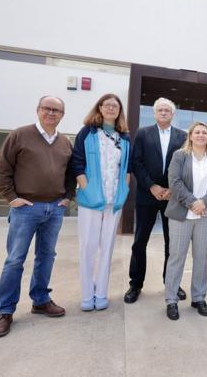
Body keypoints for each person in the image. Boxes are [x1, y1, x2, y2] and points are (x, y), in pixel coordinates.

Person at [0, 96, 75, 338]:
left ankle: (40, 300)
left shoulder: (64, 143)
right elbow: (1, 168)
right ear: (38, 110)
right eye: (47, 109)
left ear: (62, 114)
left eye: (57, 110)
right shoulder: (20, 135)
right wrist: (11, 197)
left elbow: (71, 173)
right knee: (15, 259)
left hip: (54, 208)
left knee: (46, 256)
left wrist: (68, 197)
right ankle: (5, 311)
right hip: (25, 208)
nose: (51, 113)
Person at [124, 98, 187, 304]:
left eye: (167, 110)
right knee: (140, 241)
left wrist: (171, 189)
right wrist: (152, 186)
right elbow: (136, 162)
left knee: (173, 243)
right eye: (160, 110)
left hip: (173, 197)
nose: (163, 113)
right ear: (154, 113)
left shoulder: (182, 136)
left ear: (173, 114)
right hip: (146, 194)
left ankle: (171, 283)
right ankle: (135, 284)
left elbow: (185, 166)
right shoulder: (143, 133)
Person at [71, 93, 130, 312]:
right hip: (91, 200)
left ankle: (101, 292)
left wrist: (124, 190)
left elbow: (127, 167)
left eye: (115, 106)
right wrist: (86, 188)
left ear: (119, 110)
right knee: (88, 247)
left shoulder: (123, 136)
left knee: (107, 248)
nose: (111, 108)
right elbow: (77, 163)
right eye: (107, 105)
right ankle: (87, 294)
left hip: (114, 200)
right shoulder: (87, 132)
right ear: (100, 107)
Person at [163, 122, 207, 320]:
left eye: (204, 132)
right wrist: (193, 203)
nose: (201, 135)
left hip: (206, 216)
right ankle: (171, 300)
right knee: (177, 257)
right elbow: (174, 181)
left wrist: (205, 202)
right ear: (190, 136)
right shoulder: (180, 156)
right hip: (182, 214)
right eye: (197, 132)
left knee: (201, 258)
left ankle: (198, 297)